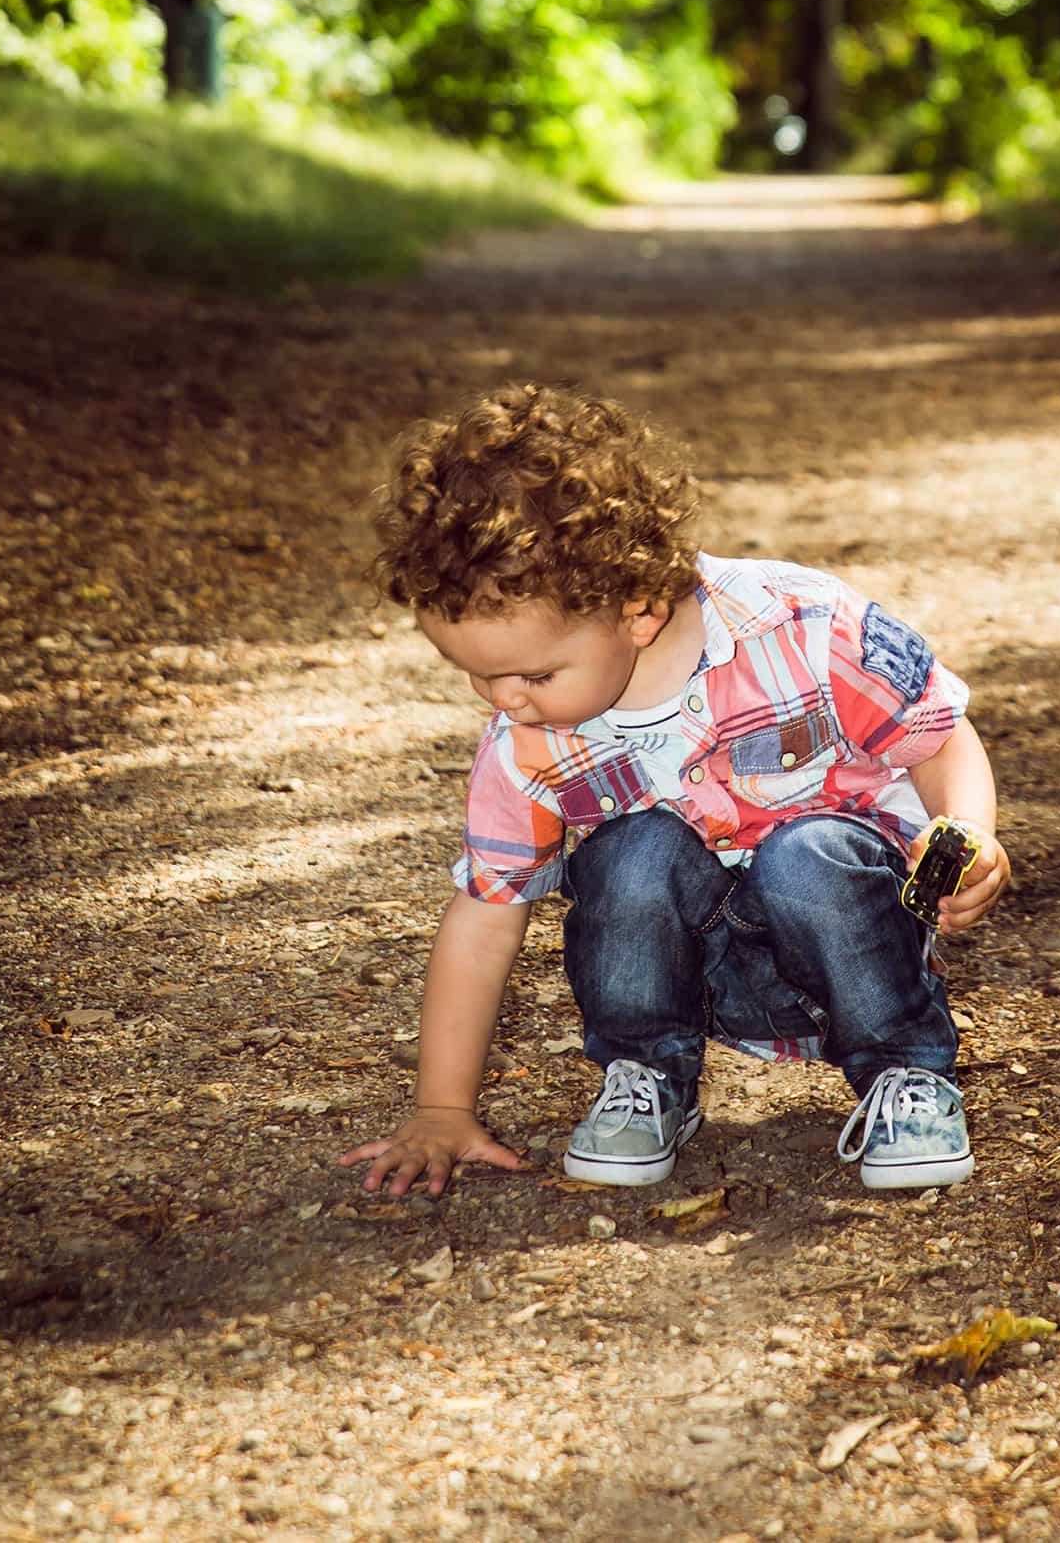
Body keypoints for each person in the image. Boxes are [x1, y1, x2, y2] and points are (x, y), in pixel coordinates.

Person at [345, 383, 1010, 1201]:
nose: (503, 700)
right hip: (689, 975)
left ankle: (906, 1077)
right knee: (631, 855)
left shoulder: (799, 626)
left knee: (812, 851)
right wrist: (440, 1107)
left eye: (533, 674)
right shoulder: (528, 744)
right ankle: (647, 1076)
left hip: (849, 944)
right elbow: (487, 912)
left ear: (640, 610)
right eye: (477, 677)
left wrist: (968, 830)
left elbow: (937, 734)